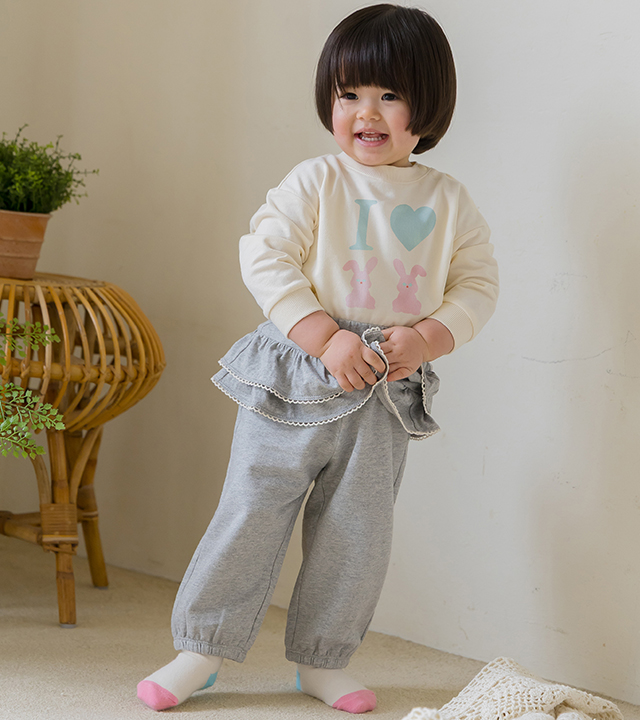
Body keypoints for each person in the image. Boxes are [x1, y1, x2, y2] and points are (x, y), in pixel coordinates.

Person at [137, 3, 499, 714]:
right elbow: (265, 257)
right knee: (251, 508)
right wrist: (323, 336)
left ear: (429, 105)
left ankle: (322, 660)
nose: (367, 112)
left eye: (389, 95)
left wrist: (429, 337)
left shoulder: (448, 201)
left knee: (357, 533)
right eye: (349, 93)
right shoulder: (316, 181)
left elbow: (478, 285)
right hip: (298, 372)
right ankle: (201, 649)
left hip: (384, 387)